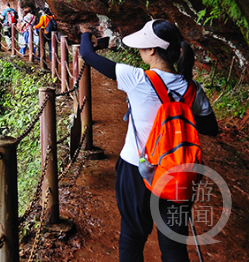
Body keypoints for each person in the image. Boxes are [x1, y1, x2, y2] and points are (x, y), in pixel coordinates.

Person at [80, 20, 219, 262]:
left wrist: (86, 34)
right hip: (178, 172)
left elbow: (88, 55)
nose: (140, 50)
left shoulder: (136, 78)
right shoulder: (193, 90)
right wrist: (178, 115)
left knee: (132, 238)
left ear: (152, 49)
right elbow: (210, 128)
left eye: (143, 46)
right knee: (174, 247)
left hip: (136, 169)